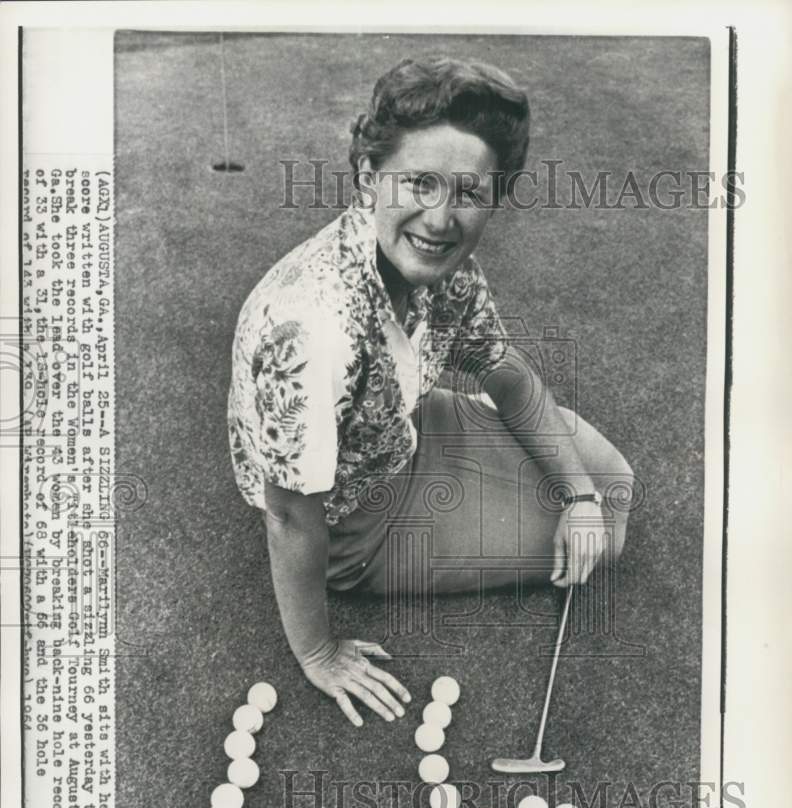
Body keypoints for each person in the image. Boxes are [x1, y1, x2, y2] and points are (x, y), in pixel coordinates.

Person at [228, 56, 634, 728]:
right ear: (368, 175)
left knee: (608, 484)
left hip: (400, 428)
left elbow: (502, 369)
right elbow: (291, 516)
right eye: (418, 181)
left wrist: (581, 497)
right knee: (609, 537)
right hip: (352, 523)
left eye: (468, 193)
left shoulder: (442, 265)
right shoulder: (314, 331)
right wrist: (319, 651)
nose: (442, 219)